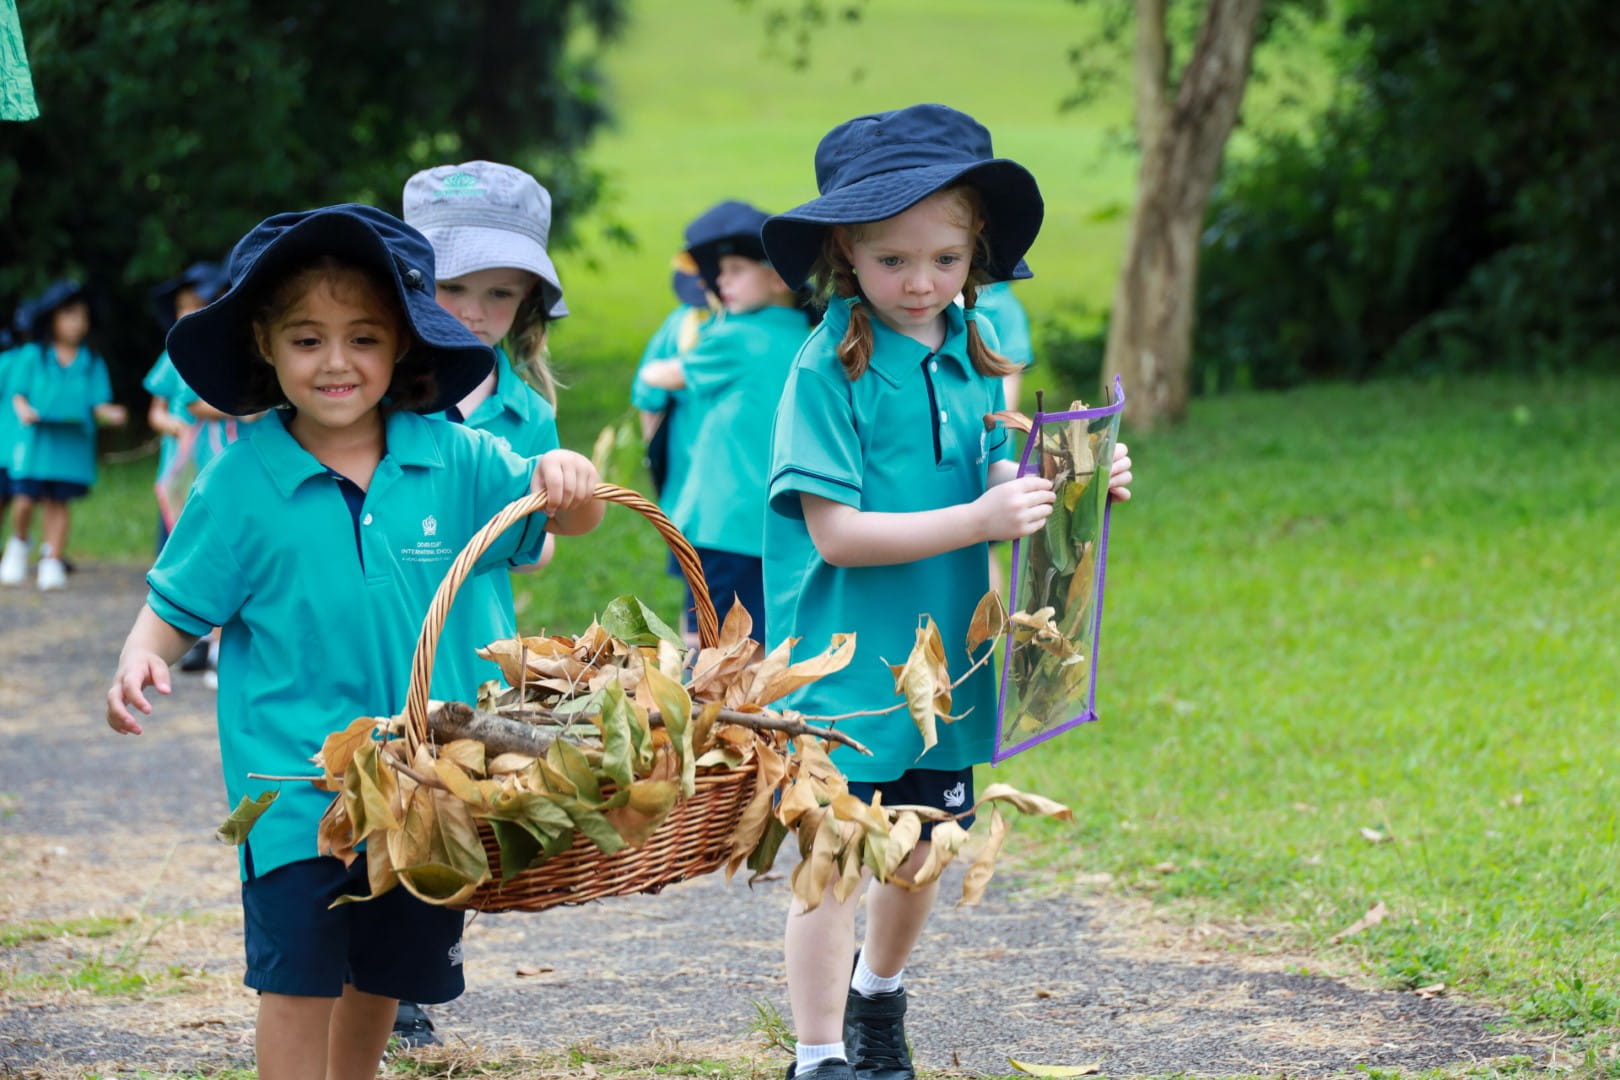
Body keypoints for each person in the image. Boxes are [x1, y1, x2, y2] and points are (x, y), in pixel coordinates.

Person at [103, 204, 605, 1080]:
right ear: (264, 345)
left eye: (363, 338)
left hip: (433, 780)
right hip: (297, 785)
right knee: (298, 977)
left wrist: (572, 483)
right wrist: (141, 654)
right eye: (306, 340)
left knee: (385, 969)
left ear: (404, 344)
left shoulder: (459, 458)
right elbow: (179, 606)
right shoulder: (242, 480)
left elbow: (568, 518)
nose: (336, 362)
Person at [759, 105, 1134, 1080]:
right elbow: (835, 535)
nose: (921, 283)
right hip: (843, 668)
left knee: (923, 851)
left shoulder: (975, 351)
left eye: (946, 259)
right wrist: (977, 521)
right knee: (836, 861)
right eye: (893, 262)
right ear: (847, 252)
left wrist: (1078, 482)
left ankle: (878, 998)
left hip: (949, 666)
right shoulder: (824, 371)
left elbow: (1001, 477)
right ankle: (817, 1055)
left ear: (977, 255)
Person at [394, 158, 571, 1047]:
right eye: (451, 284)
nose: (473, 310)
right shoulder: (380, 389)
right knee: (375, 785)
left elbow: (526, 546)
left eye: (499, 294)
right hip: (384, 627)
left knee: (454, 797)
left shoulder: (524, 410)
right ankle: (374, 977)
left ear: (526, 307)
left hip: (470, 635)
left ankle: (418, 977)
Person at [639, 200, 812, 643]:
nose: (720, 280)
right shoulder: (812, 336)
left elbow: (661, 375)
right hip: (782, 522)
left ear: (777, 277)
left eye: (735, 269)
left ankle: (701, 711)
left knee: (710, 640)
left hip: (721, 520)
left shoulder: (732, 336)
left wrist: (655, 372)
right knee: (764, 638)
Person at [1, 280, 127, 590]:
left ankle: (52, 559)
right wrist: (24, 410)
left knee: (58, 503)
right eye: (69, 315)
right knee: (25, 499)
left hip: (70, 445)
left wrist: (110, 413)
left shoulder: (91, 361)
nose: (77, 323)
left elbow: (98, 402)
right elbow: (17, 395)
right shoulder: (33, 356)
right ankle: (19, 543)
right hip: (37, 444)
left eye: (82, 316)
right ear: (52, 319)